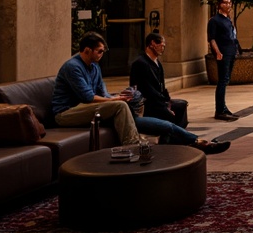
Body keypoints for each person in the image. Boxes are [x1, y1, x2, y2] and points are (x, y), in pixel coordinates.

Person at [55, 32, 228, 153]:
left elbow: (104, 93)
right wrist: (117, 100)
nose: (102, 55)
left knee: (164, 124)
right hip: (67, 113)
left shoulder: (95, 67)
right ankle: (133, 143)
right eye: (99, 51)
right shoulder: (73, 67)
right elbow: (88, 97)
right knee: (121, 106)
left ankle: (200, 142)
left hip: (92, 109)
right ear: (87, 50)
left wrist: (120, 97)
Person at [129, 32, 189, 127]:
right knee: (170, 113)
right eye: (160, 45)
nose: (162, 48)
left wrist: (168, 102)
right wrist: (164, 105)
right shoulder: (140, 63)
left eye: (164, 46)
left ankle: (178, 131)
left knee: (182, 105)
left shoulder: (158, 63)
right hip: (148, 103)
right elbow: (147, 89)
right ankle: (172, 132)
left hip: (158, 101)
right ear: (152, 44)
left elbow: (162, 87)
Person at [207, 0, 239, 121]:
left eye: (229, 2)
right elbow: (212, 39)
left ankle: (224, 107)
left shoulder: (228, 19)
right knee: (222, 81)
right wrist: (217, 52)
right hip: (223, 53)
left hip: (231, 52)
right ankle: (219, 110)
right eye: (225, 2)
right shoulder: (214, 20)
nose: (228, 5)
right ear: (219, 5)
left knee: (226, 80)